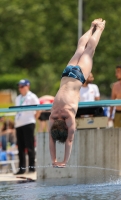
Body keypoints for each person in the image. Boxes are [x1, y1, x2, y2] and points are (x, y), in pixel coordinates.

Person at [49, 18, 106, 167]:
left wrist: (63, 162)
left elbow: (69, 140)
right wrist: (54, 161)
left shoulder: (69, 116)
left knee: (89, 50)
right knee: (80, 48)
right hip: (66, 74)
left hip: (78, 76)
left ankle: (99, 28)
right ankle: (91, 27)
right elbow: (51, 141)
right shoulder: (52, 116)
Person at [15, 79, 40, 174]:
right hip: (19, 124)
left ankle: (31, 167)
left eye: (22, 86)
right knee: (20, 147)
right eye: (19, 86)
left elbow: (38, 109)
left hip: (28, 123)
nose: (20, 88)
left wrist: (34, 118)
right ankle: (21, 168)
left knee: (30, 146)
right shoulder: (17, 98)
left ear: (27, 86)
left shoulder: (32, 96)